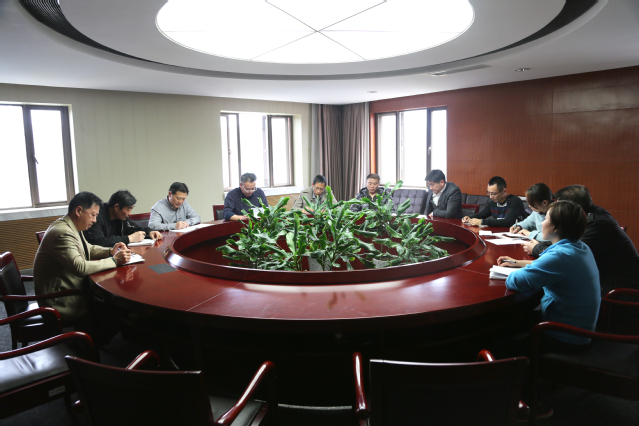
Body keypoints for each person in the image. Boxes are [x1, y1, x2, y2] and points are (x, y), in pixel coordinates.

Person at [499, 200, 601, 346]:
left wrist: (520, 270)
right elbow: (553, 266)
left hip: (564, 336)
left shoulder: (561, 255)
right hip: (579, 327)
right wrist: (518, 262)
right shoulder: (579, 247)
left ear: (556, 227)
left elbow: (515, 282)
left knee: (503, 334)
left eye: (546, 218)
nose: (541, 223)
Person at [522, 185, 639, 293]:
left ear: (572, 207)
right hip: (605, 279)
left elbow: (568, 254)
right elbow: (566, 243)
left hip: (619, 289)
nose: (555, 210)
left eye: (559, 206)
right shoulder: (593, 214)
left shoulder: (595, 224)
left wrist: (537, 248)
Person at [33, 192, 132, 321]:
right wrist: (114, 261)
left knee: (111, 300)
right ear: (79, 211)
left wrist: (111, 251)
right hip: (60, 300)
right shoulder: (63, 233)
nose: (95, 220)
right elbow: (80, 267)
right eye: (93, 215)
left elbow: (88, 248)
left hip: (69, 288)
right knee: (113, 309)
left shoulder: (70, 225)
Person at [84, 190, 163, 246]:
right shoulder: (96, 216)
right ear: (117, 207)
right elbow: (99, 241)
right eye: (128, 209)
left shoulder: (121, 217)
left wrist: (149, 232)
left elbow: (133, 228)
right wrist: (129, 238)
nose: (130, 213)